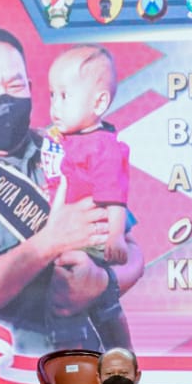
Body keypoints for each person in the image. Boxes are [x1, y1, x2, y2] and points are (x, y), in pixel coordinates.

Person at [0, 26, 147, 356]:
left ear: (30, 88)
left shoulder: (71, 149)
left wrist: (101, 282)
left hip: (90, 364)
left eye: (14, 86)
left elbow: (132, 252)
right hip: (9, 376)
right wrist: (48, 243)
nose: (4, 99)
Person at [45, 46, 134, 349]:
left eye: (65, 96)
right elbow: (62, 186)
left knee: (101, 300)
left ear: (99, 102)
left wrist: (116, 237)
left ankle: (122, 354)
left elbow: (115, 197)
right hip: (67, 232)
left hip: (95, 235)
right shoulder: (65, 140)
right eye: (52, 95)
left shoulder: (102, 148)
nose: (55, 105)